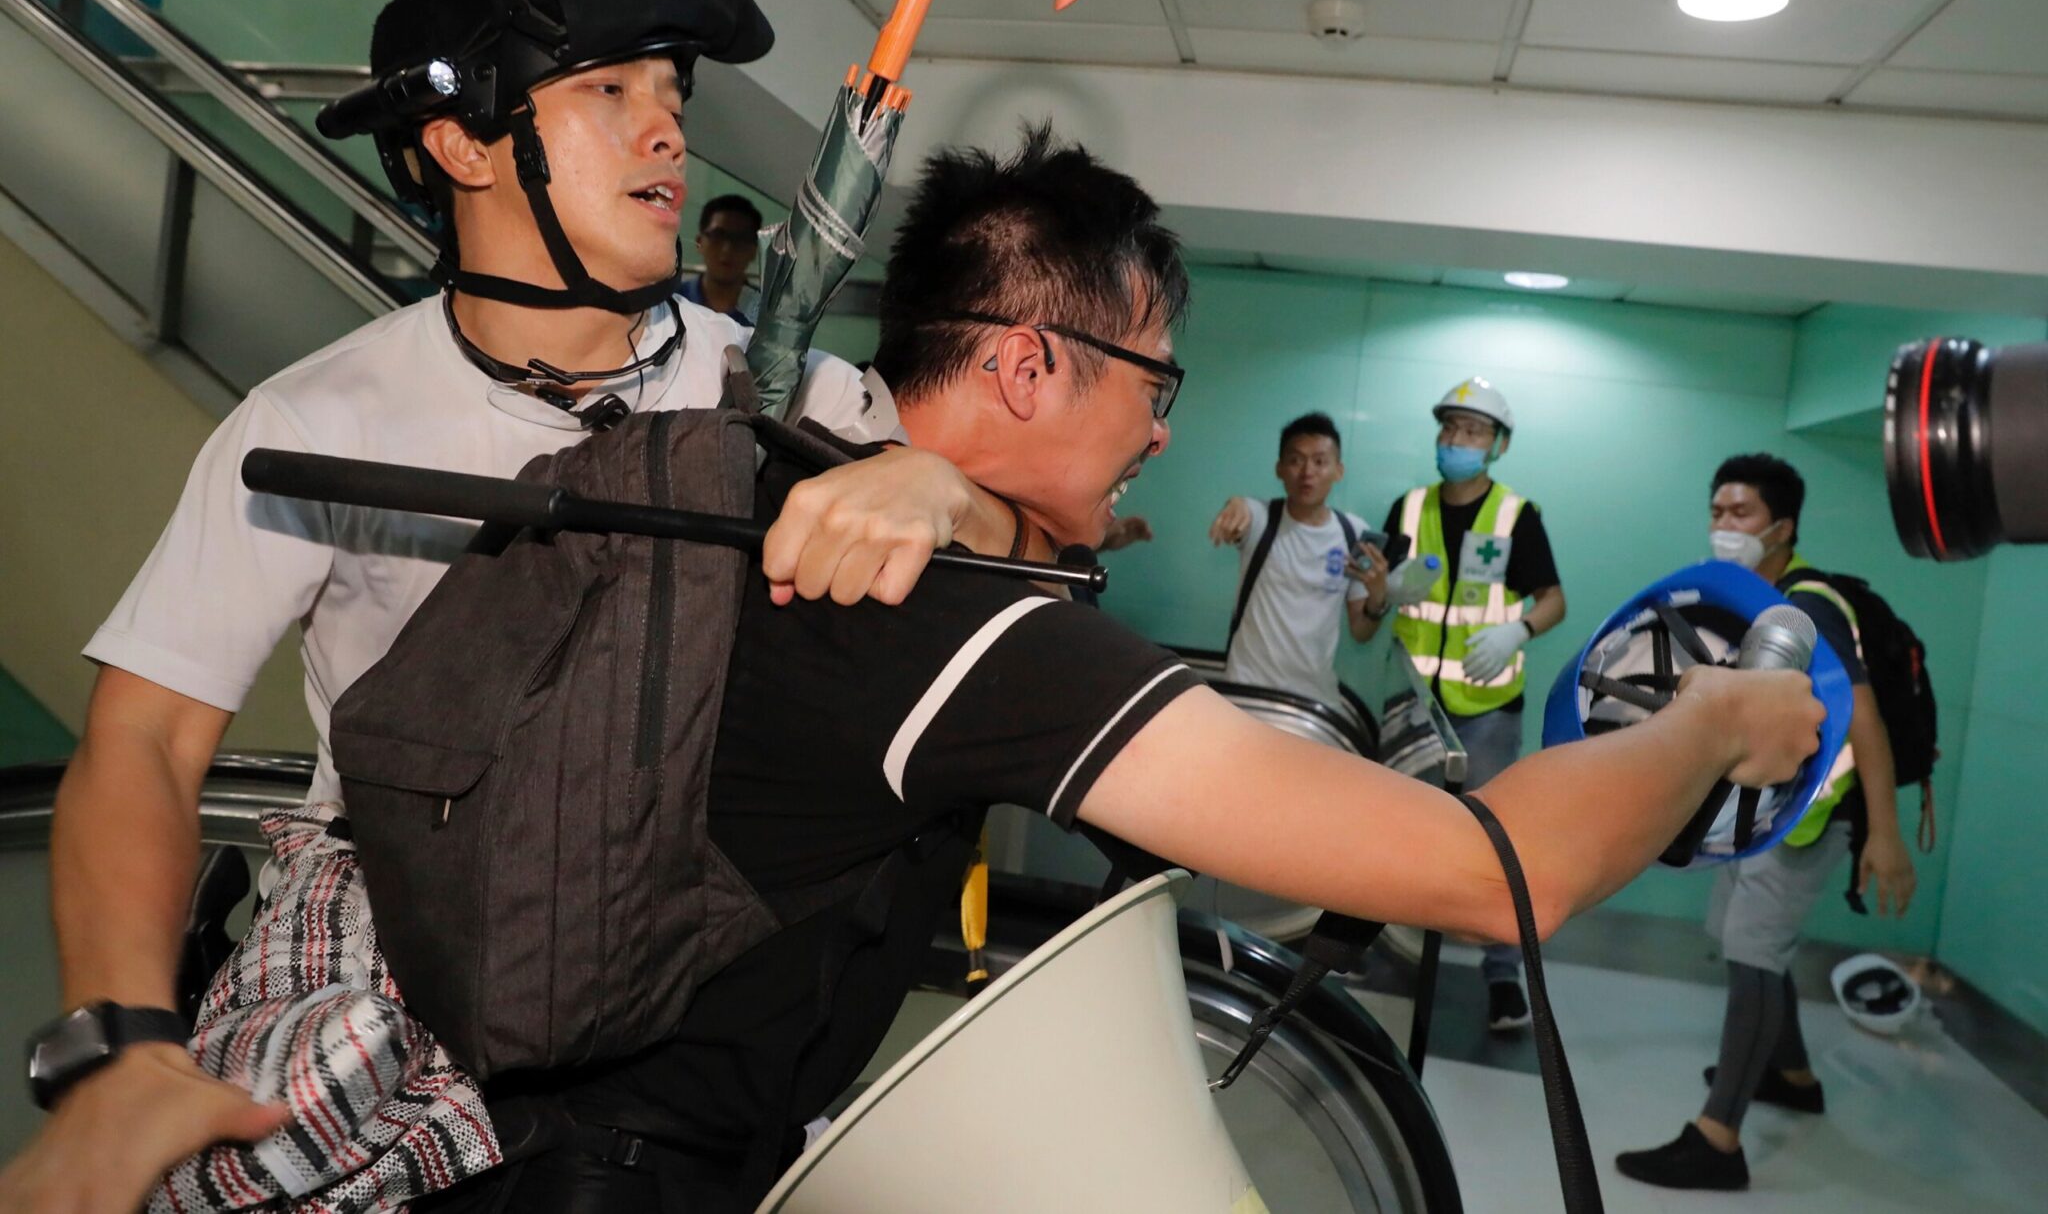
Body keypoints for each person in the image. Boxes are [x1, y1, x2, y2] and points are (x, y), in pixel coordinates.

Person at [372, 129, 1823, 1212]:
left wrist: (963, 491)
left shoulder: (779, 482)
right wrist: (1711, 720)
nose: (1163, 428)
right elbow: (1502, 874)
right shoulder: (955, 624)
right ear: (1025, 366)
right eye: (1154, 379)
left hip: (500, 1129)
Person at [0, 0, 1012, 1214]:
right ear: (464, 144)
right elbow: (143, 736)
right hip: (396, 933)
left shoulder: (786, 393)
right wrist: (126, 1042)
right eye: (609, 90)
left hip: (687, 974)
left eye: (674, 96)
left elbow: (997, 603)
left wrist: (944, 493)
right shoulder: (317, 421)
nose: (669, 131)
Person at [1615, 453, 1917, 1192]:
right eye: (1717, 510)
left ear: (1782, 526)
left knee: (1753, 953)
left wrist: (1885, 834)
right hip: (1773, 811)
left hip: (1813, 819)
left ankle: (1717, 1140)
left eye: (1741, 512)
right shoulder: (1761, 594)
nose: (1724, 525)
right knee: (1736, 935)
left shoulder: (1810, 605)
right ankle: (1791, 1074)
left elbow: (1866, 721)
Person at [1355, 377, 1566, 1031]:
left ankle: (1503, 975)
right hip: (1413, 701)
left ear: (1498, 445)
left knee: (1497, 836)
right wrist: (1382, 592)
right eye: (1449, 427)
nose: (1457, 440)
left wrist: (1516, 631)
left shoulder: (1516, 515)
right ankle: (1365, 943)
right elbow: (1373, 602)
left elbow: (1554, 601)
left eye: (1473, 431)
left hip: (1486, 704)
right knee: (1391, 825)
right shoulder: (1409, 507)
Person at [1207, 413, 1386, 717]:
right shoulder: (1261, 519)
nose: (1307, 472)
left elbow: (1361, 631)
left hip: (1314, 702)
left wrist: (1378, 597)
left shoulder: (1353, 533)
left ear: (1338, 470)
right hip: (1248, 694)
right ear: (1279, 468)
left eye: (1320, 461)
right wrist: (1233, 505)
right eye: (1295, 460)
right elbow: (1241, 510)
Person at [678, 193, 763, 324]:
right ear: (699, 242)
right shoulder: (671, 301)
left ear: (754, 250)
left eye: (740, 239)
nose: (727, 249)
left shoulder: (767, 315)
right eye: (718, 236)